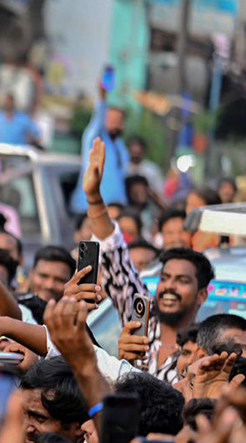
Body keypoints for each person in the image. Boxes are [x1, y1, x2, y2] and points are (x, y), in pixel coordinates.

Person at [84, 139, 213, 382]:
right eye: (165, 278)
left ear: (201, 295)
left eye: (182, 280)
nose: (169, 287)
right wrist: (93, 197)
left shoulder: (206, 350)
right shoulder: (140, 323)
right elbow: (115, 257)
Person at [70, 79, 128, 213]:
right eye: (112, 120)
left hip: (115, 210)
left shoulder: (121, 148)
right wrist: (102, 98)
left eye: (119, 121)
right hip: (89, 209)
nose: (115, 125)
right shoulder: (95, 139)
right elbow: (98, 117)